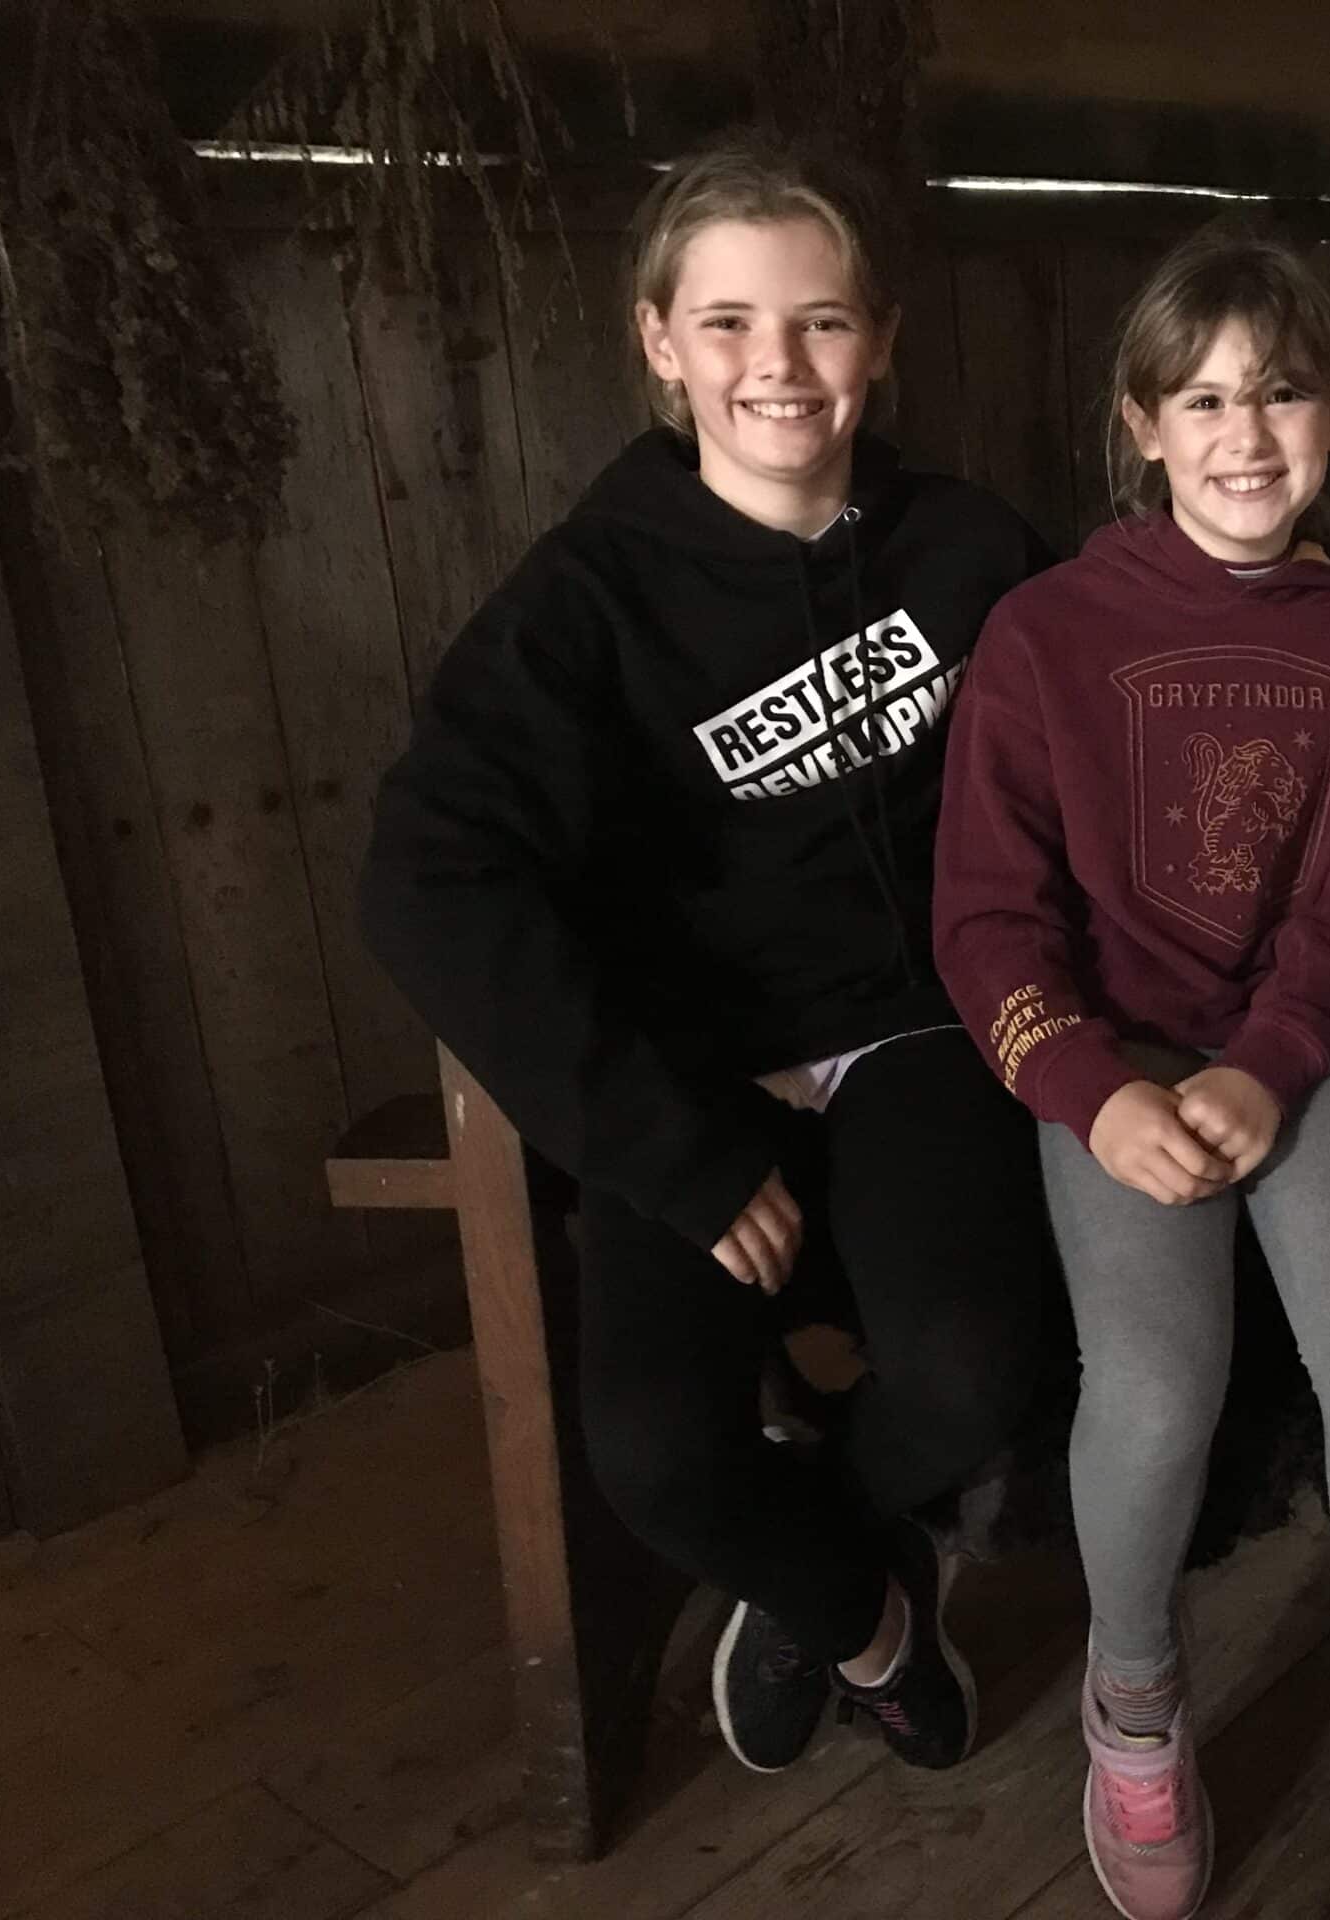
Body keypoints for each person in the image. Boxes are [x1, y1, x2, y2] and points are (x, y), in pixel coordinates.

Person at [360, 138, 1056, 1783]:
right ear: (660, 344)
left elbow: (1123, 712)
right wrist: (659, 1141)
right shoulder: (587, 601)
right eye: (729, 322)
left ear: (880, 340)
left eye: (822, 321)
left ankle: (829, 1547)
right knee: (658, 1457)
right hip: (690, 1074)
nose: (778, 365)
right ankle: (870, 1619)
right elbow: (425, 873)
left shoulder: (969, 548)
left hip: (918, 1032)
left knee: (979, 1377)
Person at [933, 229, 1330, 1920]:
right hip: (1114, 1065)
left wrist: (1275, 1065)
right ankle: (1134, 1701)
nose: (1246, 434)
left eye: (1284, 393)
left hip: (1301, 1049)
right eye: (1204, 400)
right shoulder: (1041, 635)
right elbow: (986, 919)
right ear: (1143, 426)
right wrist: (1093, 1091)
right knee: (1160, 1384)